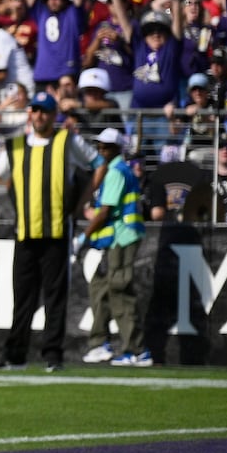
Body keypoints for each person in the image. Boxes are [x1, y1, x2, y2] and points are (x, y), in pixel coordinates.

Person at [0, 92, 99, 372]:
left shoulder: (68, 141)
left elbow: (97, 165)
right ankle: (15, 355)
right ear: (29, 114)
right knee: (22, 297)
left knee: (55, 296)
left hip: (56, 230)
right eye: (35, 110)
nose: (39, 116)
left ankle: (53, 355)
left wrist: (81, 204)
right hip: (26, 232)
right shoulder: (16, 146)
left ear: (54, 115)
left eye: (44, 111)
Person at [79, 129, 150, 368]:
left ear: (118, 149)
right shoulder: (115, 171)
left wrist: (83, 237)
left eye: (106, 147)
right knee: (101, 287)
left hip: (123, 237)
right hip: (114, 239)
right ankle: (99, 344)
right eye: (99, 146)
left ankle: (136, 350)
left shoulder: (116, 172)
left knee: (120, 290)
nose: (102, 151)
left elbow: (105, 211)